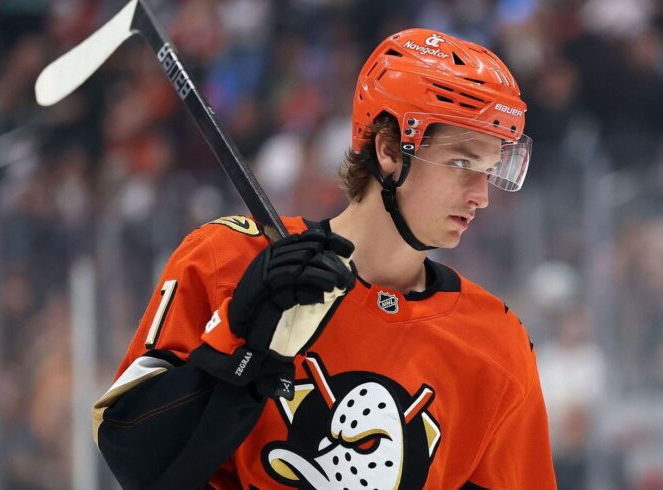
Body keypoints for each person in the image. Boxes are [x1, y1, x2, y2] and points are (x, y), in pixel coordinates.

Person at [93, 28, 557, 489]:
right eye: (462, 164)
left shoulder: (496, 345)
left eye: (488, 171)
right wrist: (241, 342)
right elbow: (133, 461)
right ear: (389, 148)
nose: (481, 196)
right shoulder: (226, 259)